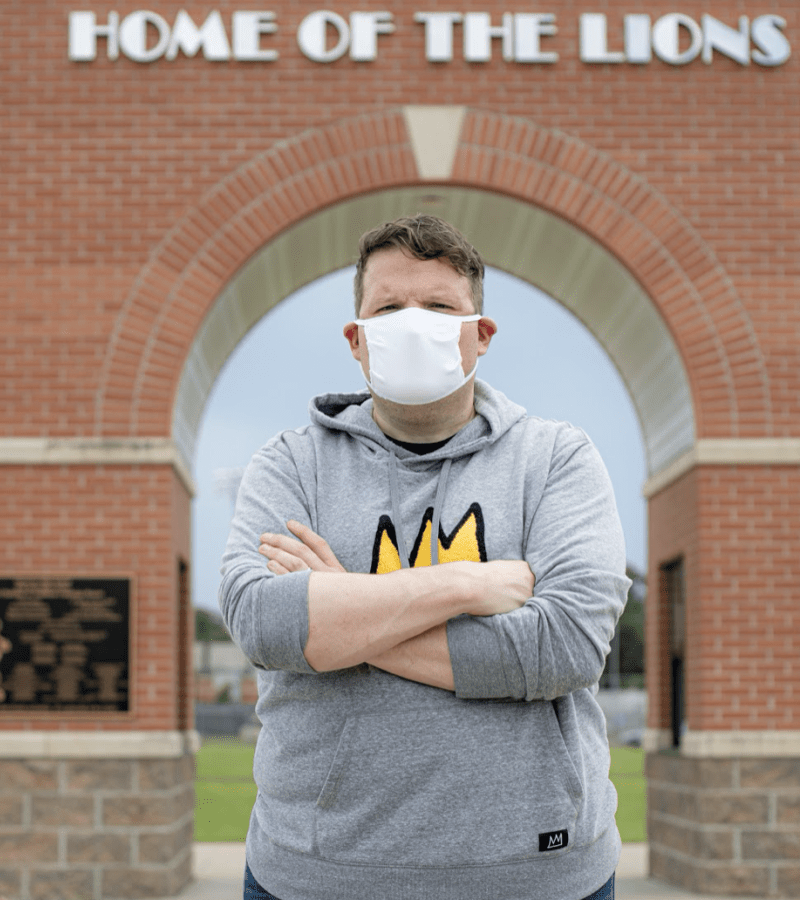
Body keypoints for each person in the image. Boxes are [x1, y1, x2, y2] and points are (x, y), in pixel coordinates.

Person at [219, 214, 630, 900]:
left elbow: (566, 645)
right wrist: (466, 583)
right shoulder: (291, 464)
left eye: (440, 307)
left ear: (481, 334)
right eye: (389, 308)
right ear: (356, 340)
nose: (414, 324)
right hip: (315, 878)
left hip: (544, 879)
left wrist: (340, 611)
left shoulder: (557, 458)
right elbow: (264, 625)